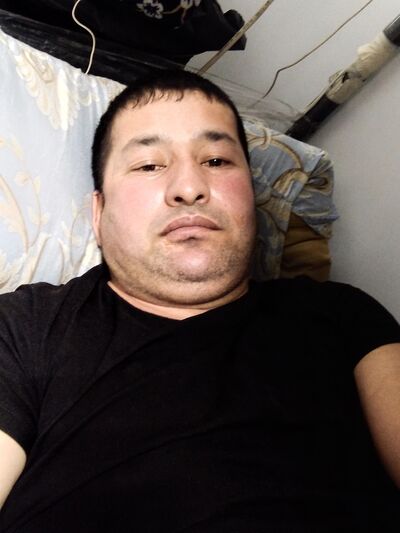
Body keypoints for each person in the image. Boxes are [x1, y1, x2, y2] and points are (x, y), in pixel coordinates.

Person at [0, 69, 399, 532]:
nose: (189, 187)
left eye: (216, 160)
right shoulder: (25, 330)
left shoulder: (341, 318)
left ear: (252, 197)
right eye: (149, 165)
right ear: (99, 212)